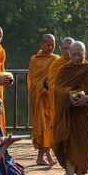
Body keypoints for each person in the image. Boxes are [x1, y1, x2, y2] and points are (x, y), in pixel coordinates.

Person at [52, 41, 88, 175]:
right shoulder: (64, 69)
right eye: (73, 54)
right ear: (68, 54)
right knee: (69, 147)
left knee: (83, 147)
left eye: (79, 54)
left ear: (85, 53)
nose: (76, 57)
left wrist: (87, 97)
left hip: (85, 113)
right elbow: (57, 89)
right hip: (69, 114)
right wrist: (67, 95)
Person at [27, 34, 59, 166]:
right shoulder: (35, 60)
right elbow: (33, 81)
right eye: (48, 44)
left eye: (53, 44)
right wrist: (43, 88)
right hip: (40, 98)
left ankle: (42, 157)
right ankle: (47, 156)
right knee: (43, 127)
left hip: (50, 99)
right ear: (41, 44)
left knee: (49, 127)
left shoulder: (56, 59)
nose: (51, 47)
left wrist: (51, 89)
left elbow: (57, 78)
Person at [48, 37, 74, 131]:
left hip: (77, 100)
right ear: (60, 49)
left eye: (70, 48)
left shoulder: (82, 63)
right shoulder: (56, 65)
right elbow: (52, 85)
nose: (67, 51)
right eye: (65, 48)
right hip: (60, 101)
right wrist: (65, 93)